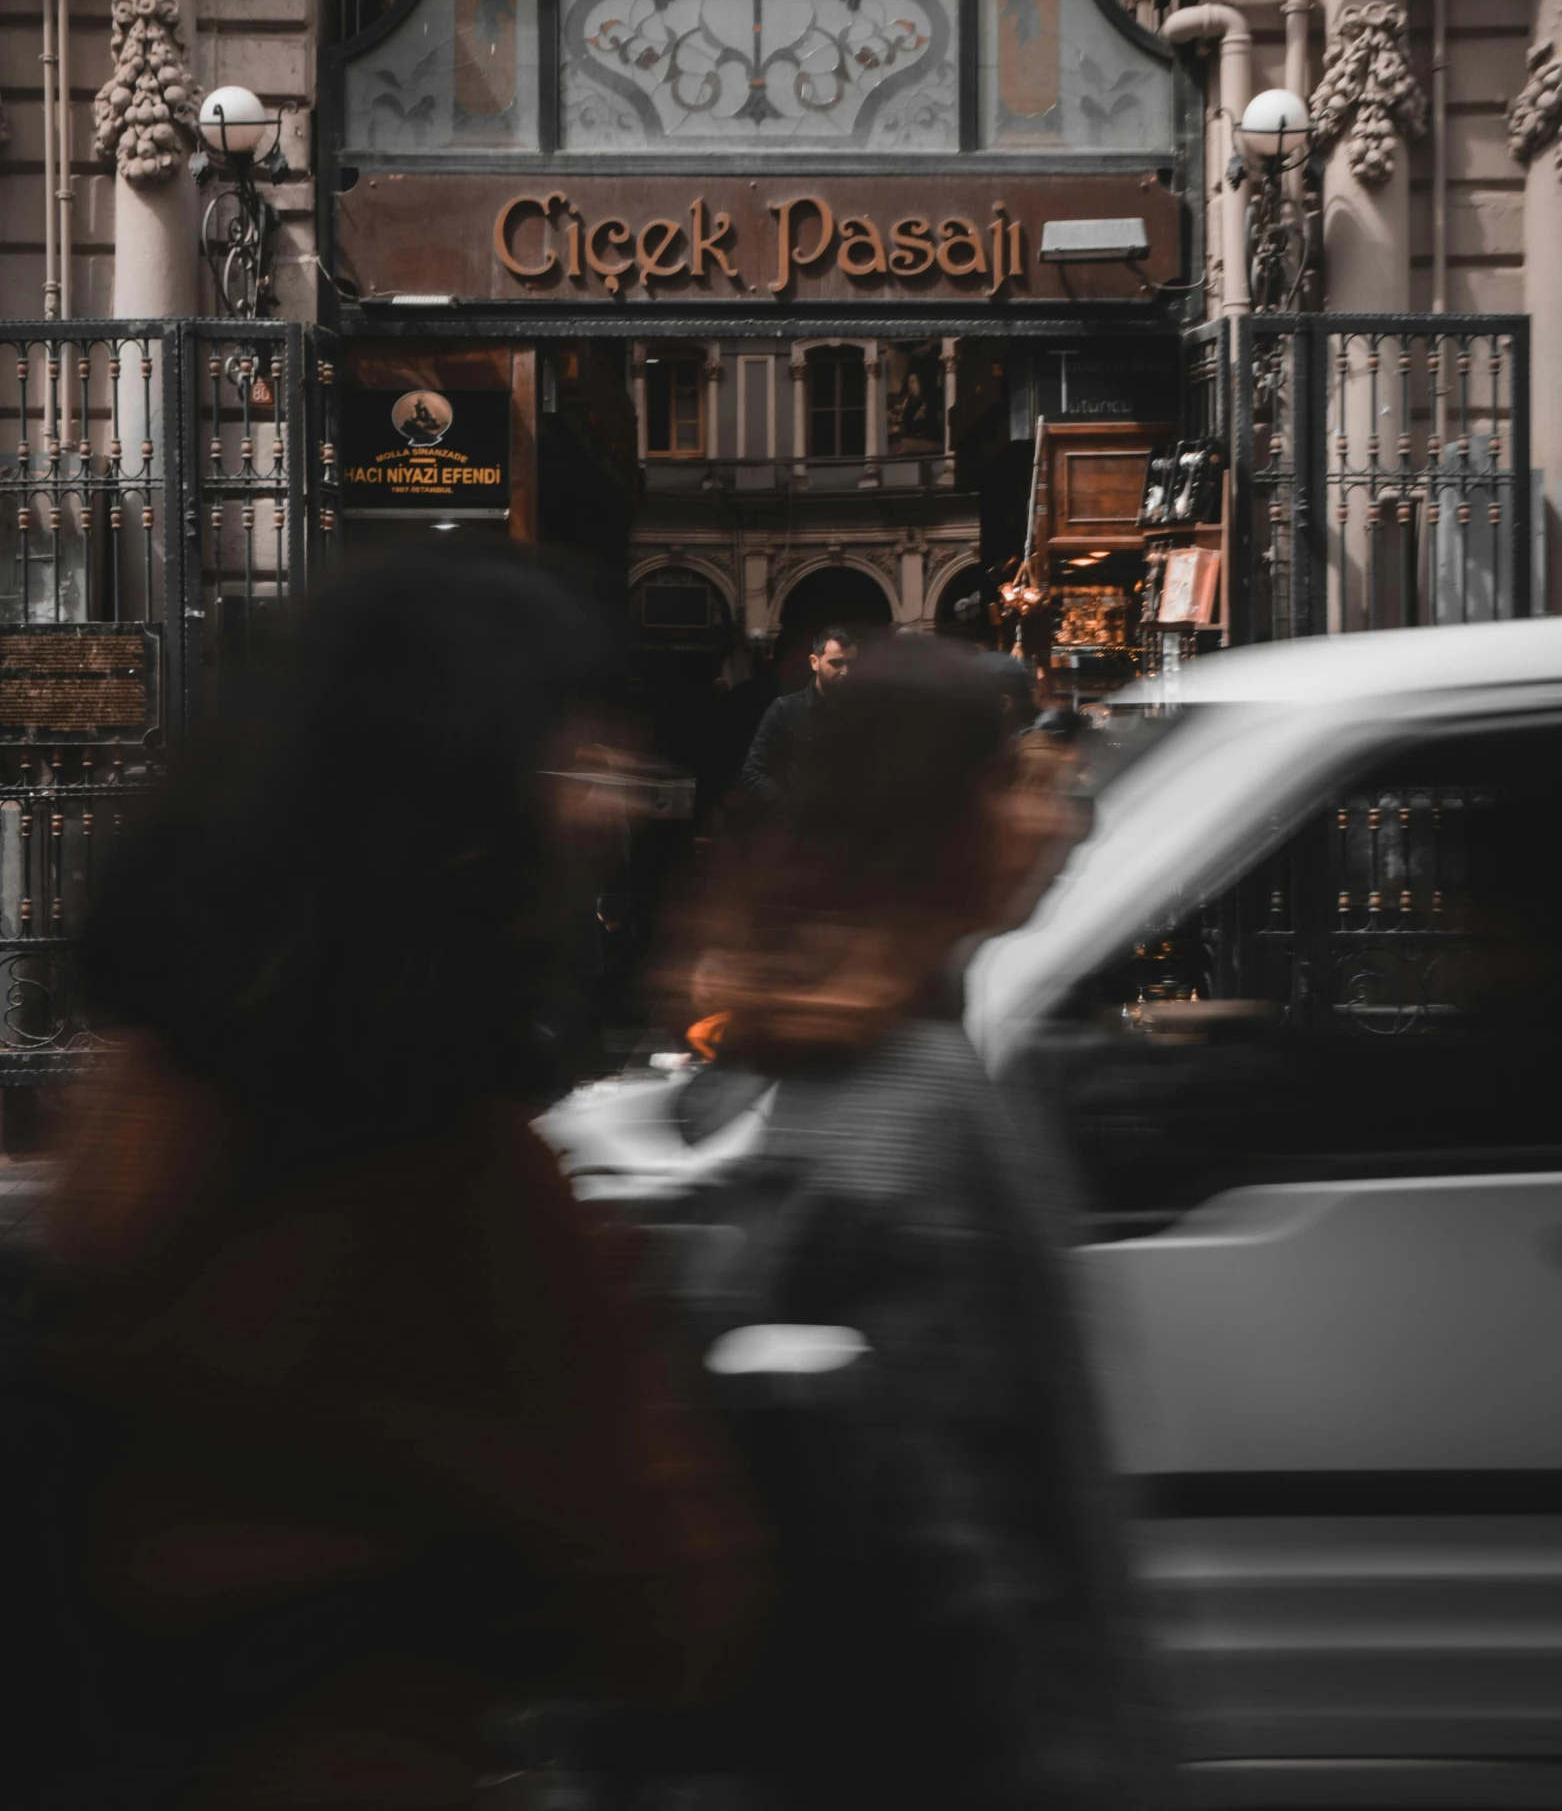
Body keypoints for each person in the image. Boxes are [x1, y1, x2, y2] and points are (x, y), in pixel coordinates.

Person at [29, 550, 765, 1811]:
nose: (621, 805)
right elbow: (668, 1597)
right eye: (577, 764)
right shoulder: (452, 1179)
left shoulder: (143, 1101)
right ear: (468, 802)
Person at [678, 638, 1164, 1811]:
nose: (1056, 813)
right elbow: (956, 1538)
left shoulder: (859, 1053)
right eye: (1010, 775)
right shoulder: (909, 1096)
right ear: (925, 814)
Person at [738, 625, 855, 806]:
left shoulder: (863, 710)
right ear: (814, 662)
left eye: (851, 664)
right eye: (836, 663)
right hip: (803, 826)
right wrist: (790, 808)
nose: (846, 672)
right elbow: (753, 772)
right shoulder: (785, 709)